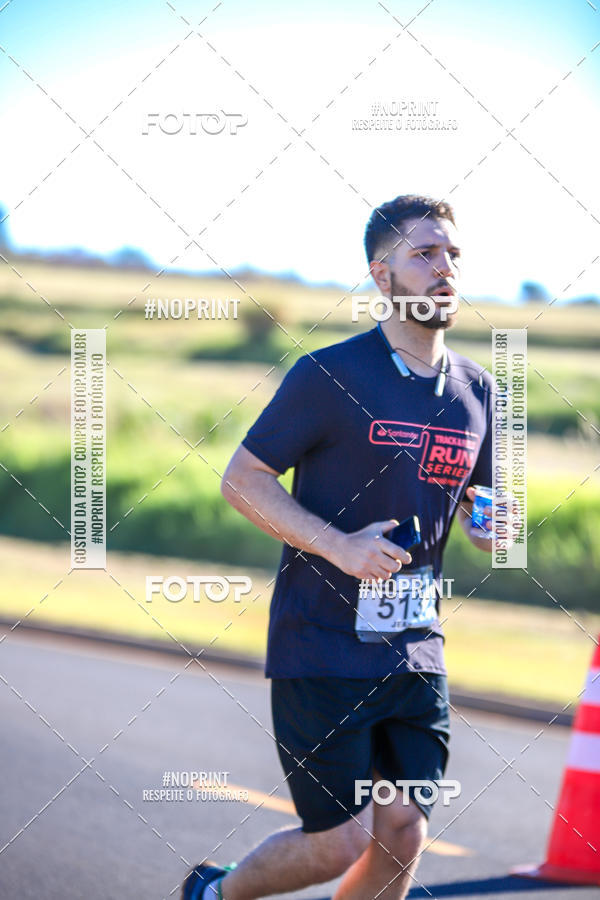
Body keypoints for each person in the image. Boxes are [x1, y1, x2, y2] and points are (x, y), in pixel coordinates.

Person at [182, 195, 499, 900]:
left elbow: (485, 504)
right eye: (423, 254)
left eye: (451, 254)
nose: (444, 268)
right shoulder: (330, 377)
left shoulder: (480, 390)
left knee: (405, 832)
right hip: (323, 644)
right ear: (381, 278)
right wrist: (337, 545)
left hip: (417, 644)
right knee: (338, 842)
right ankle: (213, 894)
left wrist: (490, 527)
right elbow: (243, 480)